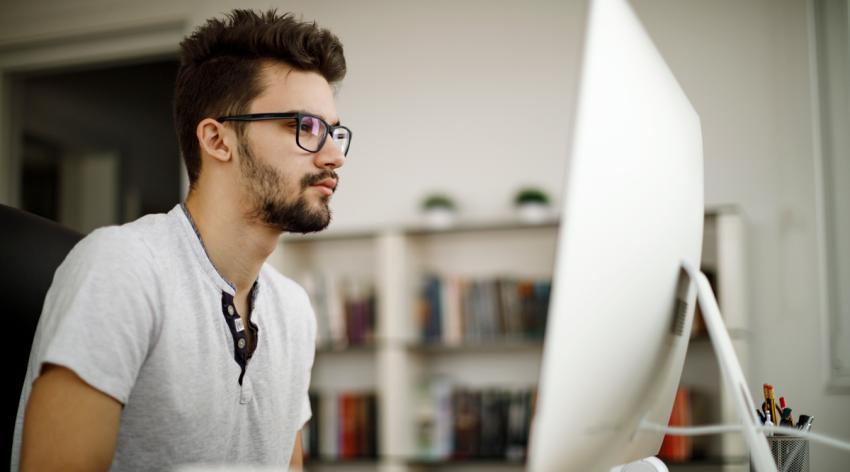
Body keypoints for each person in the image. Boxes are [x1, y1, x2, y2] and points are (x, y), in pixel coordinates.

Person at [12, 9, 350, 471]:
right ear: (217, 139)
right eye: (306, 128)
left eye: (334, 133)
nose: (334, 156)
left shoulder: (294, 310)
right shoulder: (123, 267)